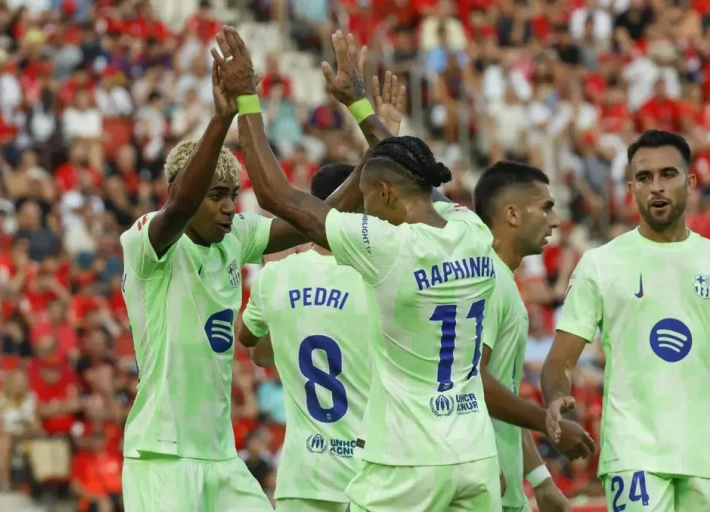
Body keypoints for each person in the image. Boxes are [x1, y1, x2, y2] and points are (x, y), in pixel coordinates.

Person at [215, 26, 501, 511]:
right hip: (474, 453)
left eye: (366, 199)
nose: (362, 209)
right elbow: (414, 175)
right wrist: (364, 110)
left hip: (407, 461)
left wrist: (246, 100)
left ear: (385, 194)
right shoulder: (471, 228)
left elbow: (275, 197)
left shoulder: (387, 248)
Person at [118, 52, 367, 511]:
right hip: (161, 454)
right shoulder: (148, 242)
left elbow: (313, 219)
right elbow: (179, 207)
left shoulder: (236, 237)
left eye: (233, 196)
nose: (230, 207)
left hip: (221, 457)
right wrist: (221, 119)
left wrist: (374, 160)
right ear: (183, 191)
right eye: (216, 196)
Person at [542, 129, 710, 511]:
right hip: (635, 453)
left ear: (691, 181)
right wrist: (554, 399)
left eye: (668, 174)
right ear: (631, 187)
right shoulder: (601, 264)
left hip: (705, 452)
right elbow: (560, 359)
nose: (657, 187)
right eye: (645, 178)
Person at [447, 162, 593, 512]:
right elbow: (470, 381)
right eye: (545, 207)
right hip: (481, 486)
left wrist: (540, 480)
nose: (554, 221)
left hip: (502, 485)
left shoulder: (499, 280)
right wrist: (547, 422)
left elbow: (504, 392)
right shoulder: (488, 282)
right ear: (511, 214)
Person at [239, 164, 370, 512]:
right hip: (368, 476)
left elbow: (254, 349)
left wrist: (293, 323)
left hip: (303, 477)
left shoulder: (277, 275)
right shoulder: (376, 280)